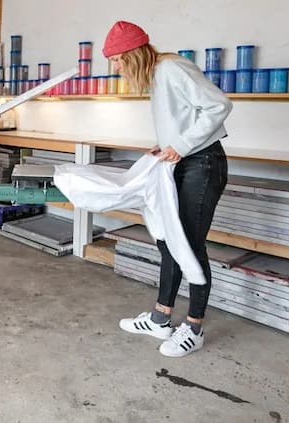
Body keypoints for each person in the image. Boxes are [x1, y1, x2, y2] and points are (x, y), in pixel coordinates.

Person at [102, 21, 231, 357]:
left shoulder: (172, 68)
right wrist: (165, 145)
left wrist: (182, 144)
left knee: (189, 244)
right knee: (167, 240)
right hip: (183, 163)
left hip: (203, 163)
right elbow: (182, 119)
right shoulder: (156, 77)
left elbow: (219, 105)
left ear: (132, 54)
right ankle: (161, 319)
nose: (115, 67)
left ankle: (194, 328)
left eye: (116, 60)